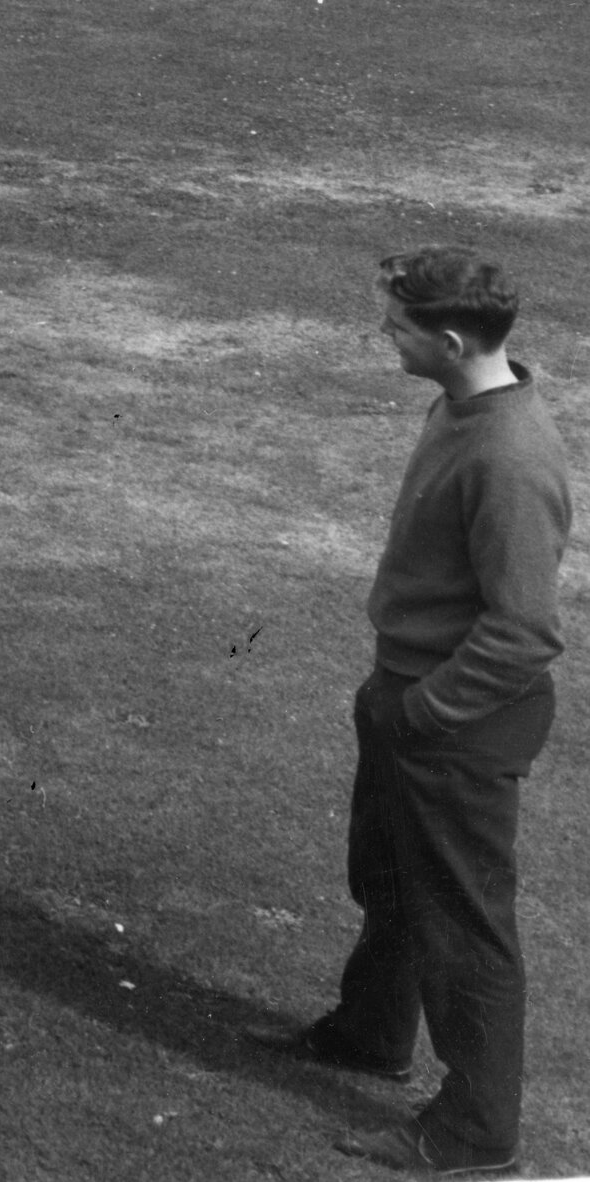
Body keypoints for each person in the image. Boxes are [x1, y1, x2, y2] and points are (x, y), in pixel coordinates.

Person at [252, 248, 569, 1176]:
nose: (380, 336)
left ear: (450, 338)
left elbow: (523, 632)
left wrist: (425, 714)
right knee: (389, 885)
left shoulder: (510, 456)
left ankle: (476, 1134)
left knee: (462, 926)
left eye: (393, 324)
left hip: (457, 721)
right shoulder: (462, 405)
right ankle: (369, 1034)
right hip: (410, 696)